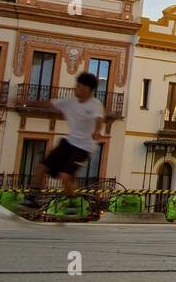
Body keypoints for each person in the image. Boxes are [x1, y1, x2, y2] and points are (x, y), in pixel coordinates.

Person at [18, 72, 110, 210]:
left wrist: (97, 131)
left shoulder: (95, 105)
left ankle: (72, 204)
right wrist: (25, 103)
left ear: (87, 89)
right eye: (77, 85)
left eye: (79, 87)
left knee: (65, 176)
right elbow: (48, 104)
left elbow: (99, 119)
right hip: (68, 143)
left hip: (84, 147)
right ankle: (33, 198)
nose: (76, 89)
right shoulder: (70, 102)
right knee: (41, 167)